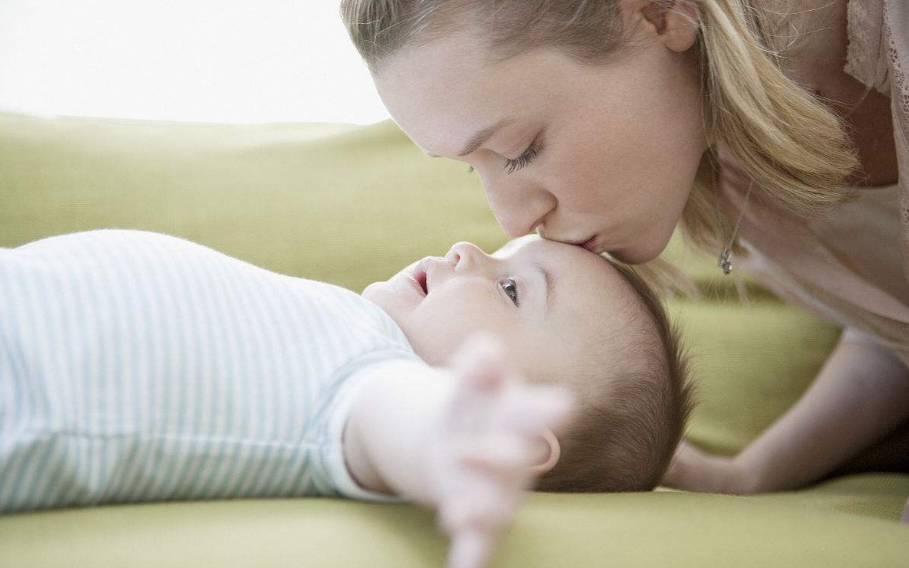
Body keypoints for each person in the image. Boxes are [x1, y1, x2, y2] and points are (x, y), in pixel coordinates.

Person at [340, 0, 909, 507]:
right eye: (472, 166)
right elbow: (892, 322)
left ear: (660, 14)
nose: (511, 222)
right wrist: (748, 474)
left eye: (519, 150)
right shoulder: (724, 161)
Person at [0, 229, 690, 568]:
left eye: (513, 289)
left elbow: (398, 422)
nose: (464, 250)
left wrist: (452, 441)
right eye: (499, 251)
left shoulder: (376, 378)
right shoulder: (352, 328)